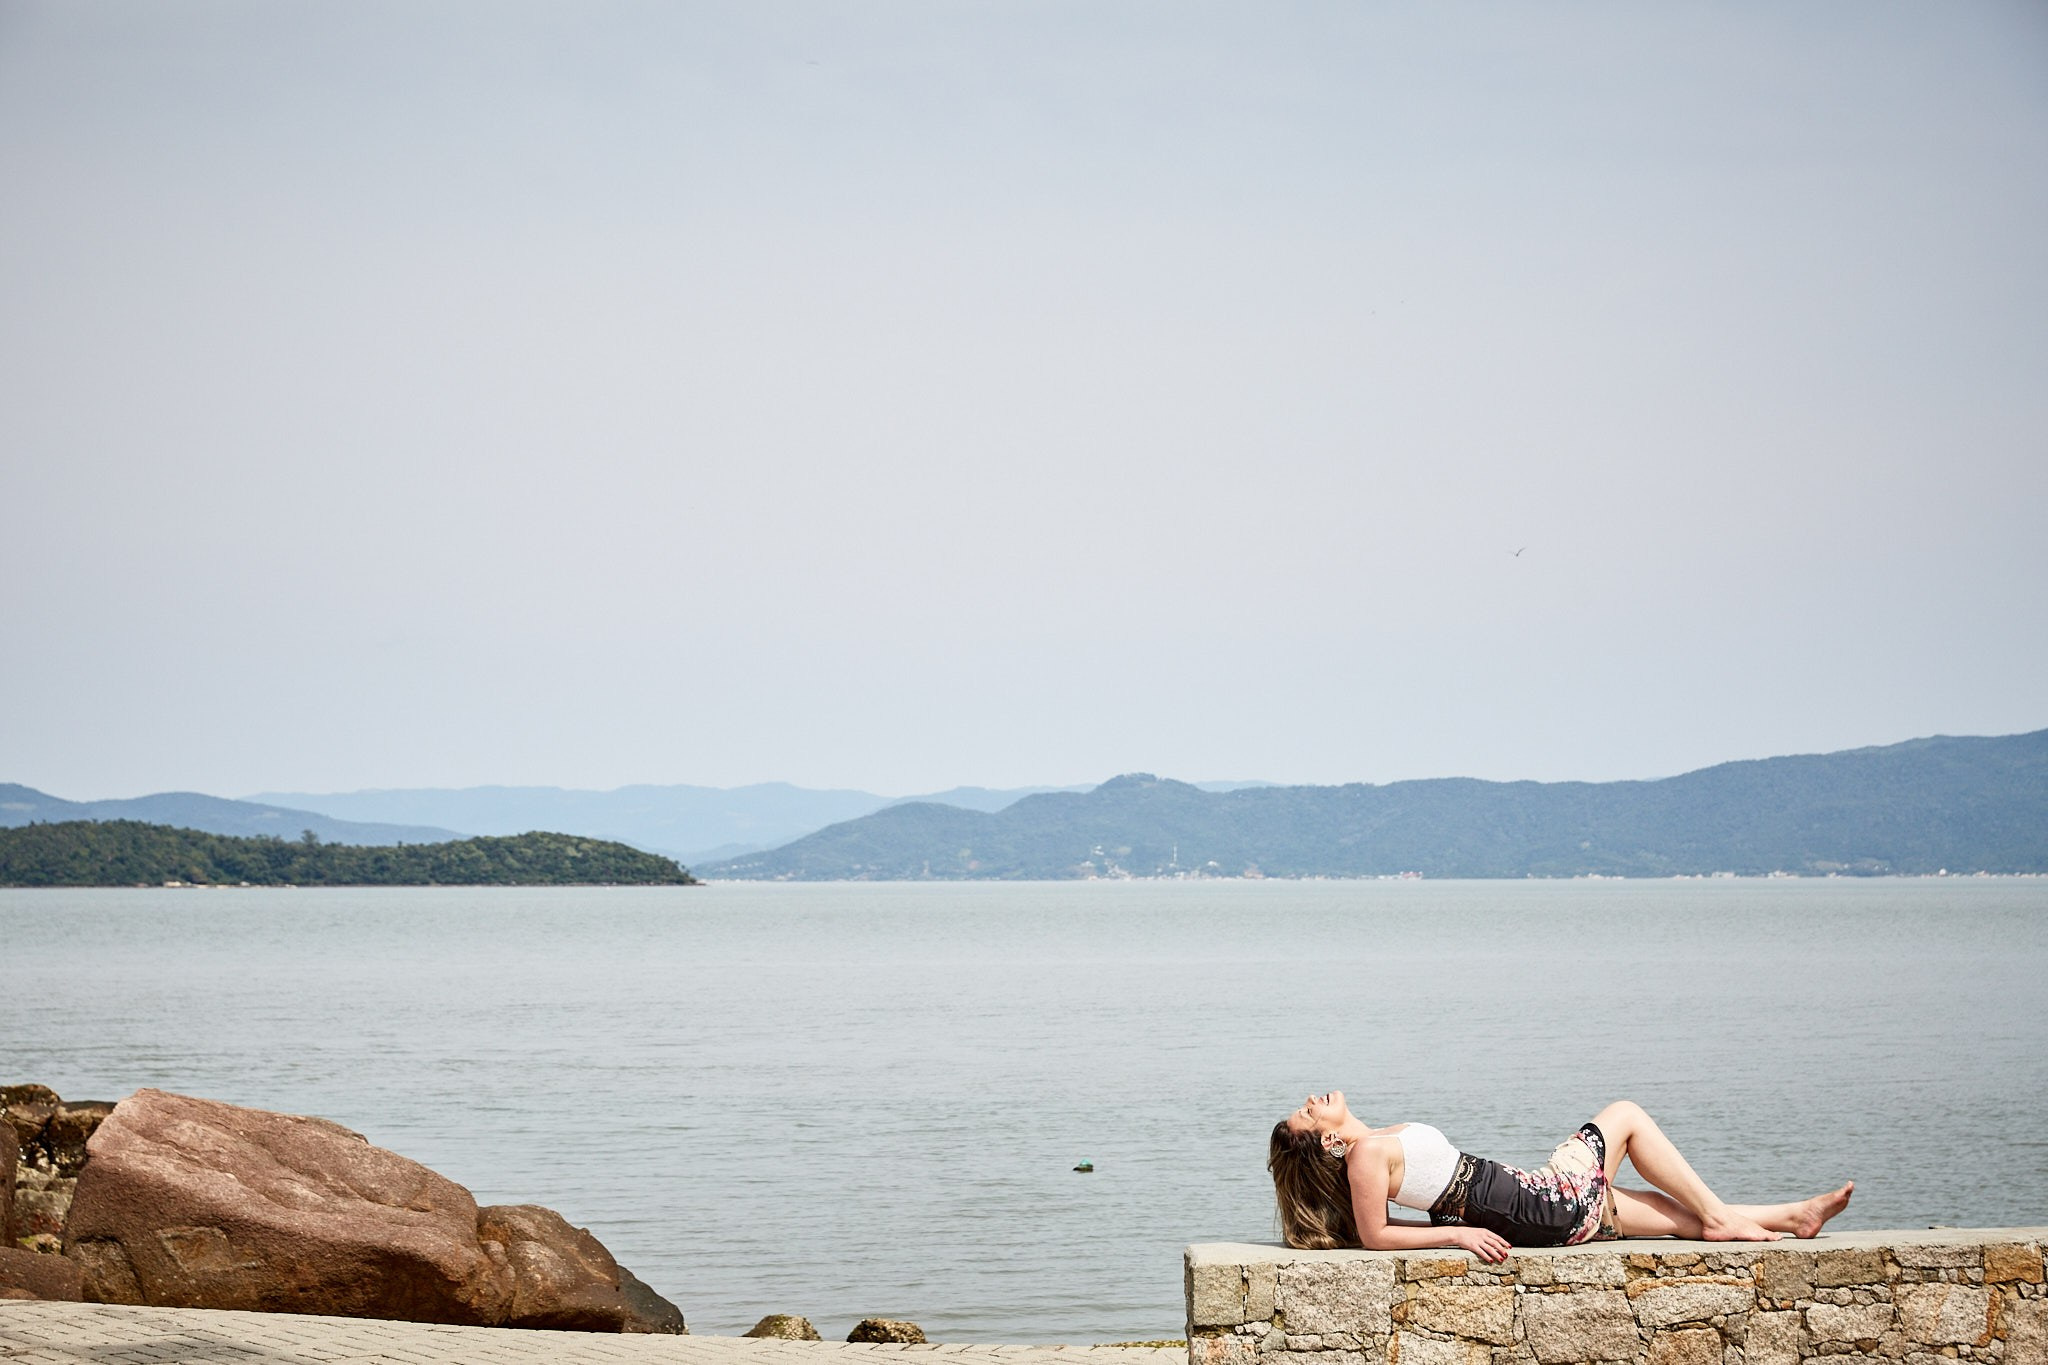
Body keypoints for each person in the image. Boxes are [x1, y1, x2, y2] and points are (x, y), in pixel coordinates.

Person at [1269, 1091, 1853, 1262]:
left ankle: (1790, 1216)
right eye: (1306, 1111)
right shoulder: (1363, 1157)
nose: (1311, 1098)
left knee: (1657, 1210)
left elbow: (1389, 1192)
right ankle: (1723, 1216)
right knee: (1624, 1115)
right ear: (1325, 1138)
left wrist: (1453, 1218)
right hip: (1541, 1205)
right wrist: (1456, 1232)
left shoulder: (1371, 1144)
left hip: (1537, 1206)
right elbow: (1374, 1234)